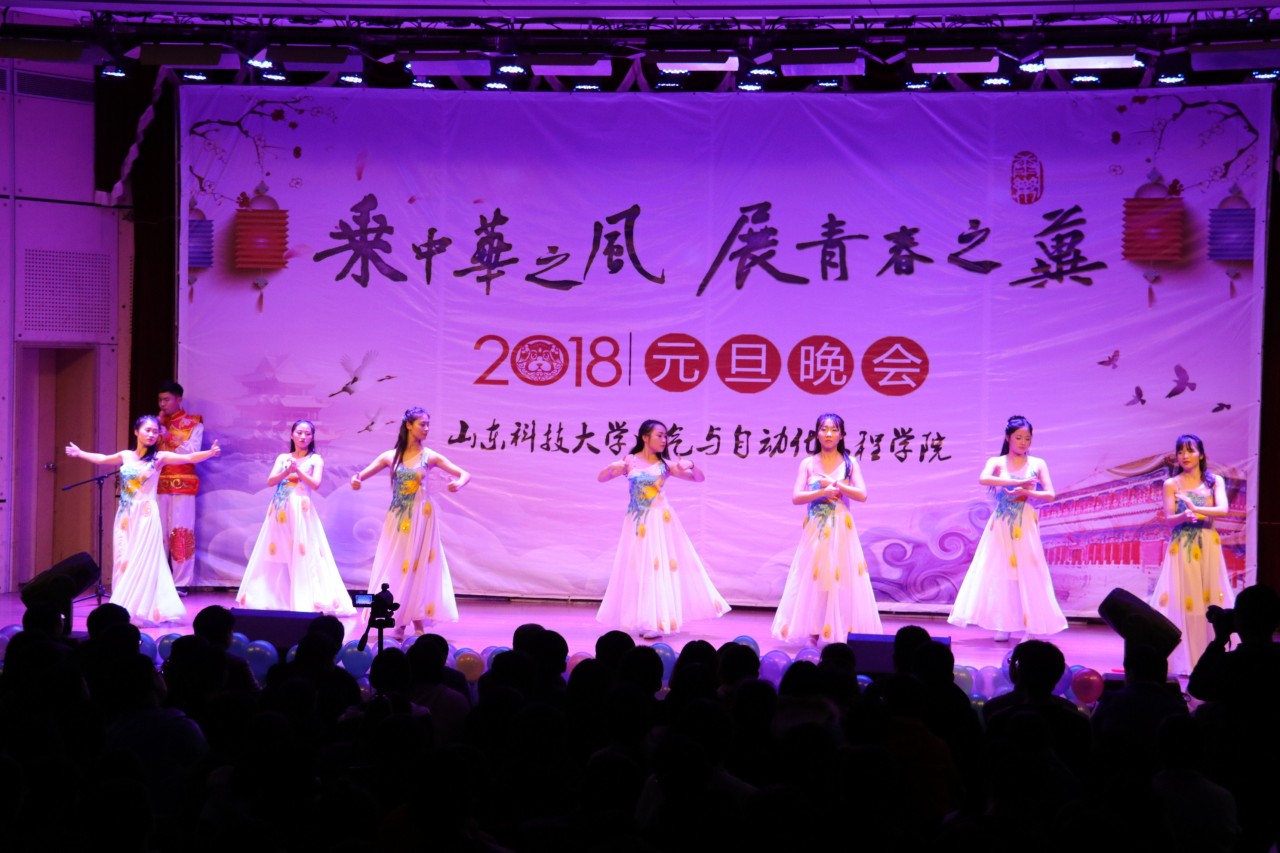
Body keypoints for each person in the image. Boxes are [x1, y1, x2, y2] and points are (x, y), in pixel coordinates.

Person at [65, 414, 220, 625]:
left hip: (146, 514)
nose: (151, 435)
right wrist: (80, 453)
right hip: (125, 515)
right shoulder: (126, 455)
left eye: (155, 431)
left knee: (143, 557)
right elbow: (102, 459)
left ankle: (141, 607)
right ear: (136, 432)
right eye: (147, 430)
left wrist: (209, 453)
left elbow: (189, 458)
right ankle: (122, 603)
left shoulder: (160, 457)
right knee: (124, 556)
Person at [596, 419, 730, 640]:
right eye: (659, 435)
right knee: (638, 569)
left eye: (665, 436)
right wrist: (611, 467)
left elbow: (699, 479)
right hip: (636, 522)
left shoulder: (665, 465)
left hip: (659, 521)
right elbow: (602, 478)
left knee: (656, 568)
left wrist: (691, 464)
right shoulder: (629, 461)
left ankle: (656, 621)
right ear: (645, 437)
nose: (664, 439)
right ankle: (641, 618)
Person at [351, 407, 469, 637]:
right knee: (397, 564)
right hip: (398, 517)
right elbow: (360, 476)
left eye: (428, 424)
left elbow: (464, 474)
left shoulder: (429, 456)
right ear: (408, 425)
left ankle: (416, 621)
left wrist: (459, 483)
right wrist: (356, 481)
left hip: (421, 517)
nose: (426, 428)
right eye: (422, 424)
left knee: (418, 565)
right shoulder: (390, 456)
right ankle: (401, 618)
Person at [948, 415, 1067, 642]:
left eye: (1027, 438)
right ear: (1008, 438)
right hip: (1001, 522)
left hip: (1024, 521)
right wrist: (1015, 483)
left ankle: (1032, 626)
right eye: (1018, 438)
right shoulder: (997, 462)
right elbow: (984, 479)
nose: (1023, 442)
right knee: (1001, 572)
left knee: (1029, 571)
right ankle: (1004, 623)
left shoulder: (1037, 463)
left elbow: (1050, 494)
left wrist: (1027, 492)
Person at [772, 413, 882, 645]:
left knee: (841, 578)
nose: (828, 434)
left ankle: (841, 631)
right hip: (816, 528)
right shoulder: (808, 463)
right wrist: (821, 492)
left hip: (842, 528)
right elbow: (796, 497)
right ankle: (814, 631)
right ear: (817, 433)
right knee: (815, 578)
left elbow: (862, 494)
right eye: (824, 429)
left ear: (841, 435)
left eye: (834, 430)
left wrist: (835, 485)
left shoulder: (850, 463)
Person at [236, 420, 355, 615]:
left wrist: (298, 471)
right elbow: (271, 481)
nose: (303, 437)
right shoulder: (283, 457)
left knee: (302, 551)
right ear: (292, 435)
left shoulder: (315, 459)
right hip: (279, 508)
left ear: (312, 437)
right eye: (299, 433)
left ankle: (304, 597)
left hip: (300, 507)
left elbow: (315, 484)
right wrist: (287, 470)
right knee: (277, 552)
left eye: (307, 434)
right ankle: (277, 596)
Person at [1149, 434, 1236, 676]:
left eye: (1190, 450)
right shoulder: (1172, 484)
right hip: (1183, 546)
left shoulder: (1214, 481)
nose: (1184, 456)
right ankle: (1185, 656)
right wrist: (1184, 515)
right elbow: (1169, 518)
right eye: (1180, 452)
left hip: (1207, 544)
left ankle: (1210, 654)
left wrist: (1196, 508)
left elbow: (1223, 509)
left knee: (1209, 595)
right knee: (1185, 597)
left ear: (1201, 454)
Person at [157, 381, 204, 591]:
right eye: (160, 400)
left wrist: (168, 436)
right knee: (158, 534)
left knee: (181, 532)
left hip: (183, 485)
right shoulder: (154, 423)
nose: (163, 404)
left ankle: (181, 583)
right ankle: (158, 581)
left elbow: (193, 452)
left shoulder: (193, 423)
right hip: (157, 485)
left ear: (179, 399)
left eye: (167, 399)